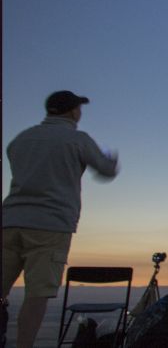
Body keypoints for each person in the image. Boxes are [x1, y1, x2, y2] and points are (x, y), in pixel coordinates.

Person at [2, 91, 120, 348]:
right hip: (50, 226)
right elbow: (106, 170)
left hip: (9, 222)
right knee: (37, 295)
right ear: (72, 111)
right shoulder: (76, 139)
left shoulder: (21, 139)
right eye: (79, 108)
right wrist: (112, 159)